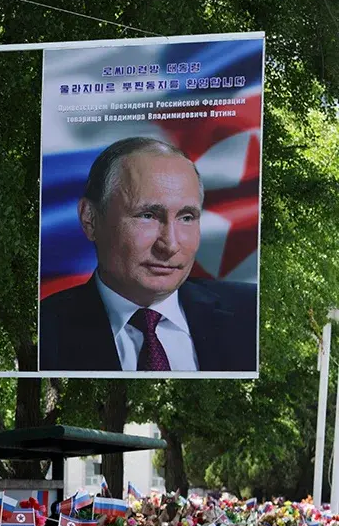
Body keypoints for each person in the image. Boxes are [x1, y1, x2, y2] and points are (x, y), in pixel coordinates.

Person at [39, 136, 257, 373]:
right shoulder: (44, 334)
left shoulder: (250, 312)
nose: (170, 245)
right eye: (147, 216)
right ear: (90, 219)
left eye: (186, 218)